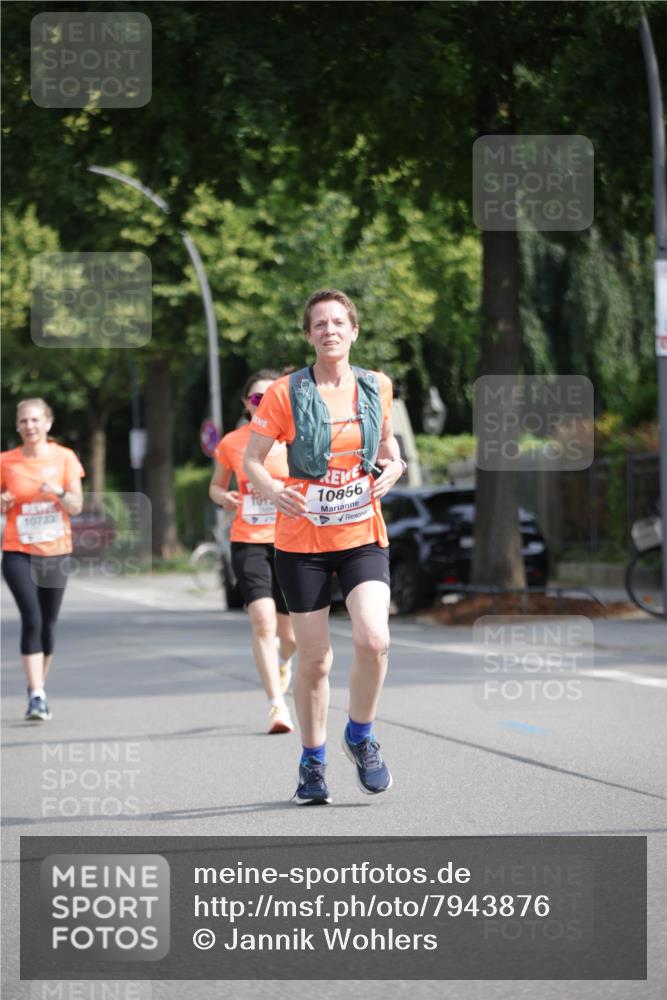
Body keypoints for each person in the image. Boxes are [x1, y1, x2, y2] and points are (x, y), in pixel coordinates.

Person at [244, 289, 407, 804]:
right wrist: (272, 490)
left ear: (354, 331)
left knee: (374, 640)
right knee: (315, 661)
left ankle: (360, 736)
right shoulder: (285, 393)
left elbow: (386, 447)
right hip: (302, 541)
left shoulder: (376, 386)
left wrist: (396, 467)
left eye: (339, 322)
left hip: (361, 533)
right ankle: (312, 763)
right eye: (320, 324)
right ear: (309, 334)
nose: (330, 330)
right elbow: (252, 460)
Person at [210, 370, 297, 734]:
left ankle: (282, 661)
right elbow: (215, 487)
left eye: (270, 396)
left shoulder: (294, 440)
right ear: (247, 403)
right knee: (262, 621)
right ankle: (277, 706)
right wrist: (225, 497)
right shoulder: (232, 443)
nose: (262, 402)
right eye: (256, 397)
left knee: (290, 638)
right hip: (248, 540)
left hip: (290, 540)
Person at [1, 398, 84, 721]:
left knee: (48, 625)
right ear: (17, 426)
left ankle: (38, 686)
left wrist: (59, 493)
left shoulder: (64, 458)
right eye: (23, 421)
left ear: (48, 423)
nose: (29, 426)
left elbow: (76, 506)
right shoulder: (5, 461)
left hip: (56, 550)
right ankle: (37, 694)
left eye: (35, 420)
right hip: (17, 550)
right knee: (32, 618)